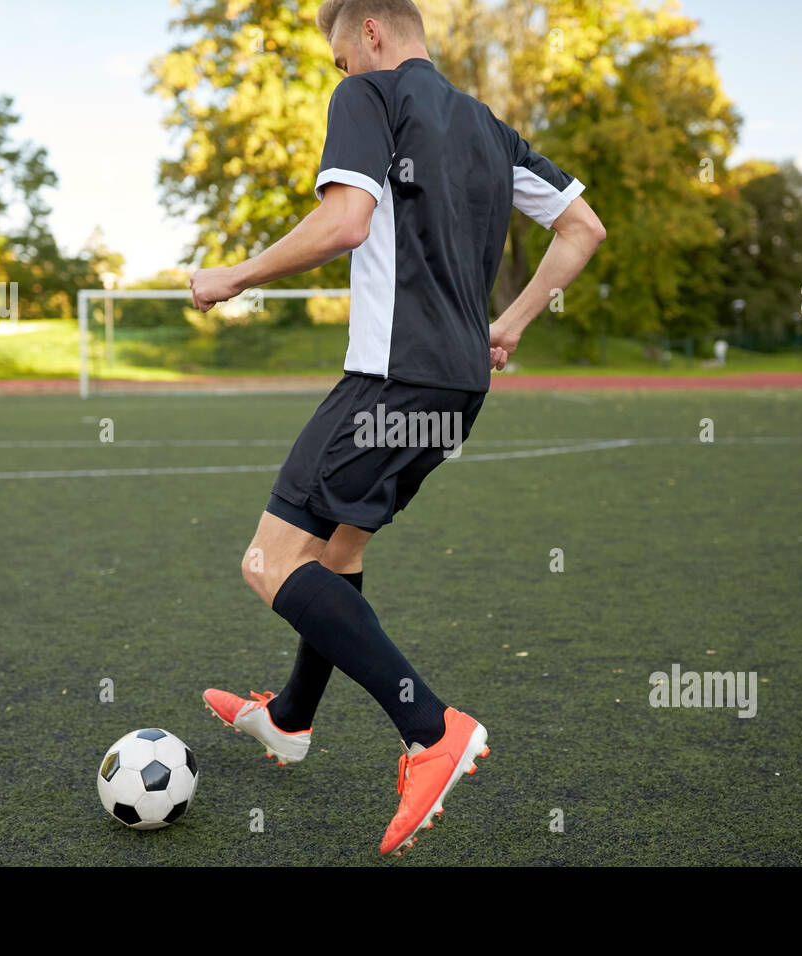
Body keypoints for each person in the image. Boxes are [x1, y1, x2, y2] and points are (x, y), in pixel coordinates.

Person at [188, 0, 605, 857]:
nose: (342, 76)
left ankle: (430, 730)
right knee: (338, 554)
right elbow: (583, 227)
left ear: (370, 35)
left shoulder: (369, 95)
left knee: (268, 563)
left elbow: (346, 221)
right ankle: (292, 721)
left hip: (390, 379)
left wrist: (235, 275)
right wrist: (514, 321)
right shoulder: (487, 127)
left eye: (340, 60)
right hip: (457, 387)